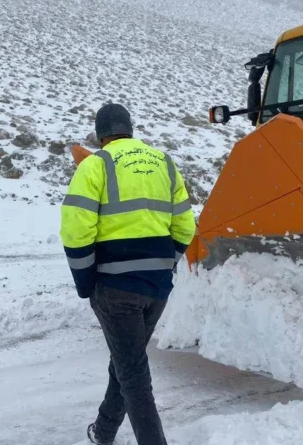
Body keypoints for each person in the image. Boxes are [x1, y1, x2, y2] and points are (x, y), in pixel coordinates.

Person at [59, 103, 196, 445]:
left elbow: (76, 231)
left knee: (133, 374)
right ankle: (104, 431)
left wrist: (85, 282)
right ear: (129, 129)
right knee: (126, 360)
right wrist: (166, 264)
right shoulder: (164, 163)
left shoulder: (96, 165)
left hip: (115, 289)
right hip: (157, 289)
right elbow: (185, 226)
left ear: (100, 135)